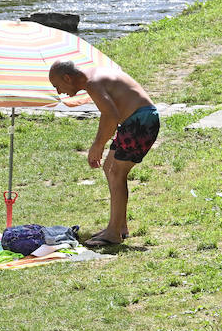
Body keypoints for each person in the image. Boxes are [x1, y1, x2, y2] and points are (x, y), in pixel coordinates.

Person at [48, 60, 159, 248]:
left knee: (117, 172)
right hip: (135, 119)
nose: (59, 92)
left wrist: (97, 145)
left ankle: (114, 233)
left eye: (58, 86)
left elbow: (111, 115)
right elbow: (110, 113)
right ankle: (119, 226)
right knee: (110, 167)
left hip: (141, 120)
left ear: (67, 78)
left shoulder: (92, 83)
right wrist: (99, 144)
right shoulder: (93, 76)